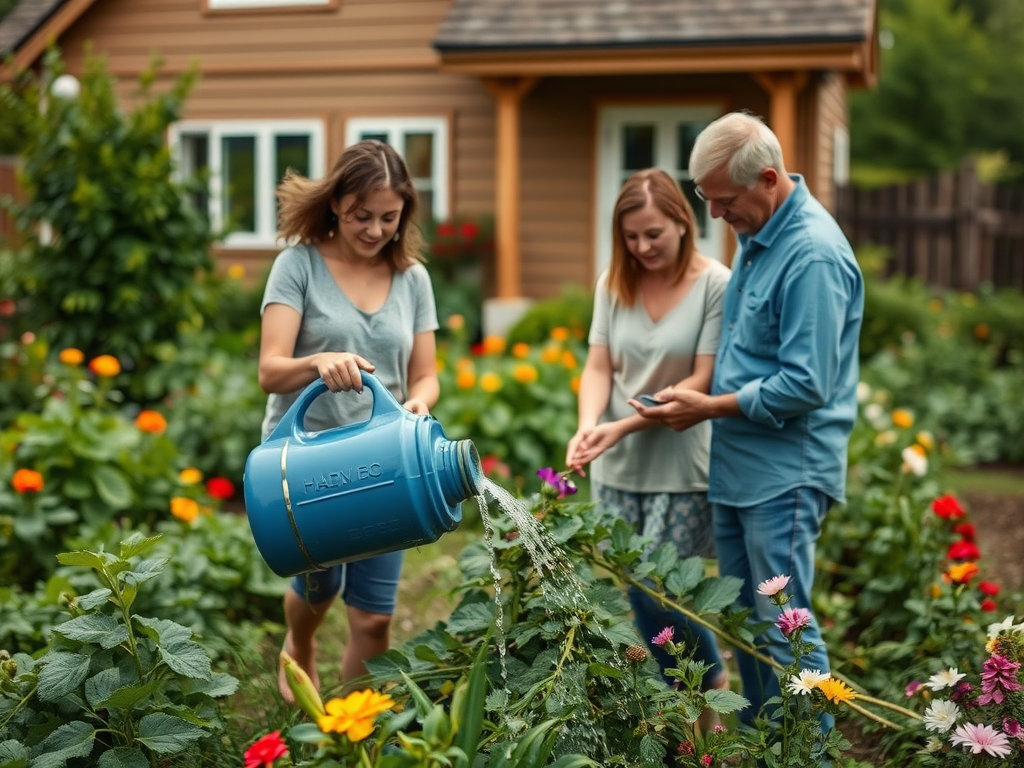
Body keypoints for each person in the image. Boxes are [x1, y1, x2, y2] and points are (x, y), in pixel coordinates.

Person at [631, 112, 865, 728]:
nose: (714, 217)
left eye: (724, 201)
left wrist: (708, 408)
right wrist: (686, 397)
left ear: (766, 179)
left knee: (785, 626)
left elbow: (807, 383)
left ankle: (809, 751)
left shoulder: (811, 254)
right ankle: (765, 741)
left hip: (785, 475)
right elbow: (745, 353)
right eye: (706, 200)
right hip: (739, 467)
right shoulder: (758, 231)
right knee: (745, 624)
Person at [257, 140, 440, 702]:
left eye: (389, 217)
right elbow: (270, 369)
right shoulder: (299, 266)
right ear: (336, 202)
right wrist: (318, 360)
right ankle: (302, 644)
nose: (375, 229)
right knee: (319, 588)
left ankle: (348, 728)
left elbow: (427, 375)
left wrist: (420, 402)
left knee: (375, 619)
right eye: (363, 215)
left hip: (386, 458)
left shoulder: (412, 279)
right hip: (309, 460)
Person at [566, 168, 732, 710]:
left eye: (653, 234)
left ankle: (708, 690)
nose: (641, 247)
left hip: (681, 469)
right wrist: (589, 424)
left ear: (683, 223)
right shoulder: (614, 283)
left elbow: (702, 381)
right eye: (631, 236)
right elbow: (598, 367)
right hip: (619, 467)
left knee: (660, 593)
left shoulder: (715, 283)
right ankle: (678, 710)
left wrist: (622, 425)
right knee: (634, 593)